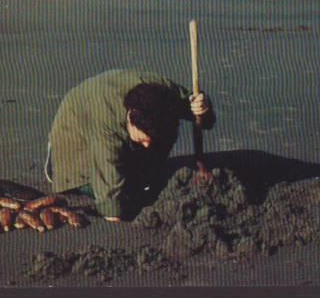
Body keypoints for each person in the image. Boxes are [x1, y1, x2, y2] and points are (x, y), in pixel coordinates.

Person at [44, 69, 215, 222]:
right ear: (130, 117)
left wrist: (203, 107)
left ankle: (141, 175)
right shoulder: (106, 120)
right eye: (142, 140)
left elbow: (202, 116)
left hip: (116, 136)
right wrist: (115, 212)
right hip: (74, 145)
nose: (147, 145)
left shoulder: (166, 93)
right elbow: (111, 198)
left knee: (150, 169)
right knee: (127, 195)